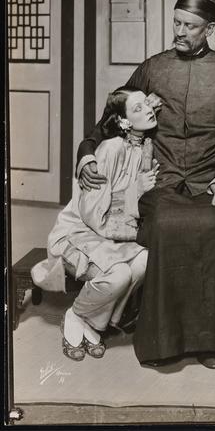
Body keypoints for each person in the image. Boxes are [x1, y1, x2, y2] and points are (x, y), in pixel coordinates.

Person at [76, 0, 215, 369]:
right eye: (176, 23)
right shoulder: (153, 68)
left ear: (209, 29)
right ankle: (162, 342)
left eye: (190, 26)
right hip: (161, 177)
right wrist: (88, 151)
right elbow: (115, 113)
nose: (180, 32)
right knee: (163, 224)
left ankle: (209, 343)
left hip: (210, 177)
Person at [31, 87, 159, 361]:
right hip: (80, 231)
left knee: (145, 261)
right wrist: (136, 191)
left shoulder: (143, 148)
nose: (148, 110)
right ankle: (75, 315)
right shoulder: (110, 149)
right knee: (119, 275)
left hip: (111, 234)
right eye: (137, 108)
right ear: (124, 121)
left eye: (147, 104)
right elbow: (93, 215)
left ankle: (96, 322)